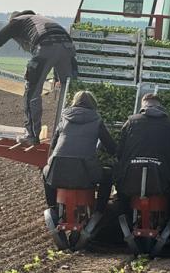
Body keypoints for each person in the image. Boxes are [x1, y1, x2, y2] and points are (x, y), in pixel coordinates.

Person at [0, 10, 77, 145]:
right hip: (68, 47)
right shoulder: (41, 20)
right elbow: (58, 48)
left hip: (46, 46)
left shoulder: (16, 22)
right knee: (71, 93)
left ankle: (32, 136)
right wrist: (57, 77)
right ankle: (72, 133)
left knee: (32, 93)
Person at [43, 90, 117, 218]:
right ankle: (99, 211)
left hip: (58, 170)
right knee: (108, 175)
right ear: (93, 104)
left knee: (45, 171)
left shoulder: (64, 118)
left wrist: (51, 161)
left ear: (74, 102)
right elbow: (111, 147)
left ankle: (52, 207)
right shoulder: (96, 120)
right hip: (86, 173)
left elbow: (53, 146)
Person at [116, 93, 170, 208]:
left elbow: (120, 152)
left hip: (130, 178)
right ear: (159, 105)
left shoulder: (131, 121)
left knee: (120, 183)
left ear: (143, 106)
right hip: (162, 179)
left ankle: (123, 212)